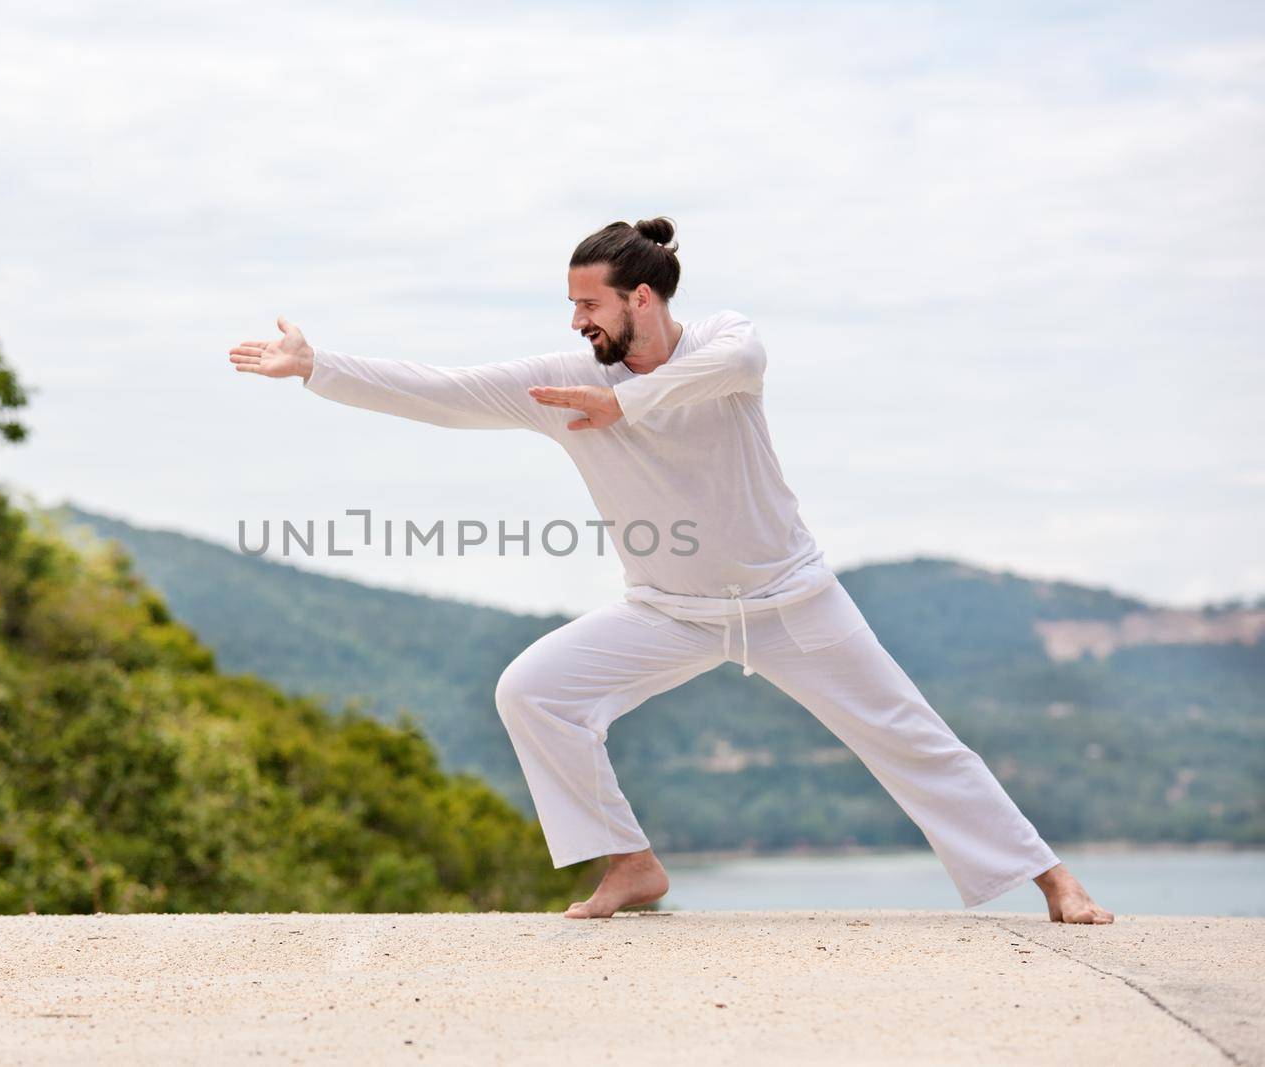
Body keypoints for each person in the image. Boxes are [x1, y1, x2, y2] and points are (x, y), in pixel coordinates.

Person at [227, 216, 1115, 924]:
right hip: (669, 610)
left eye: (589, 305)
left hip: (792, 600)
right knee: (532, 690)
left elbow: (740, 363)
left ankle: (1051, 879)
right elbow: (446, 391)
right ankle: (631, 861)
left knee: (909, 732)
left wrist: (623, 403)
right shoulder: (564, 377)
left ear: (641, 298)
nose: (577, 322)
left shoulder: (723, 346)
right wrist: (319, 366)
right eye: (572, 307)